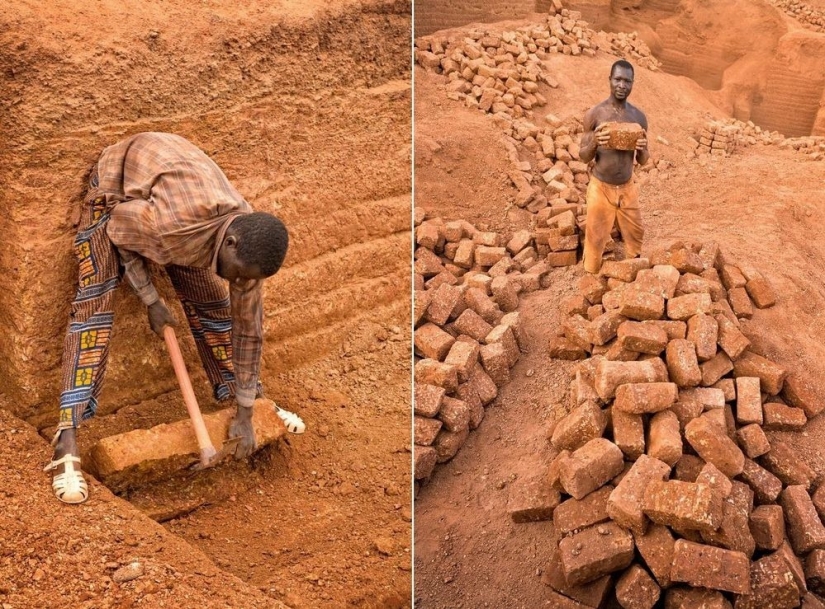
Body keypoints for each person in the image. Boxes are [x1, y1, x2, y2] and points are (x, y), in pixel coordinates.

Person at [45, 132, 304, 505]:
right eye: (239, 273)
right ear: (229, 243)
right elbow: (119, 230)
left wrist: (247, 413)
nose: (241, 282)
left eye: (248, 278)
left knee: (215, 306)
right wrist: (150, 298)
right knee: (95, 304)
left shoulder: (248, 247)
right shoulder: (171, 232)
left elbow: (249, 332)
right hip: (116, 193)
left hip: (165, 199)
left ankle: (248, 397)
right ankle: (65, 441)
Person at [579, 59, 650, 274]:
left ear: (632, 83)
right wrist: (595, 142)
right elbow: (583, 156)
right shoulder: (595, 114)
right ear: (610, 80)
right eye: (618, 79)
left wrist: (643, 148)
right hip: (601, 187)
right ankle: (591, 279)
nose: (622, 85)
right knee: (595, 238)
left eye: (627, 81)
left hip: (627, 188)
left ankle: (633, 274)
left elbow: (643, 160)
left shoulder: (638, 117)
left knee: (636, 235)